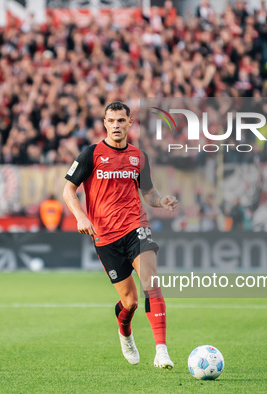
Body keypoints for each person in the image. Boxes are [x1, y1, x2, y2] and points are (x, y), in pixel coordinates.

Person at [62, 101, 178, 369]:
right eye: (111, 121)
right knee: (130, 301)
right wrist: (81, 216)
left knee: (151, 283)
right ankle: (125, 333)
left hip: (136, 226)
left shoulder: (139, 157)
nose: (116, 125)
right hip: (105, 236)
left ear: (130, 123)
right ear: (105, 123)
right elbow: (68, 190)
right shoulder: (90, 155)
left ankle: (161, 350)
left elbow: (148, 192)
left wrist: (162, 202)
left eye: (121, 121)